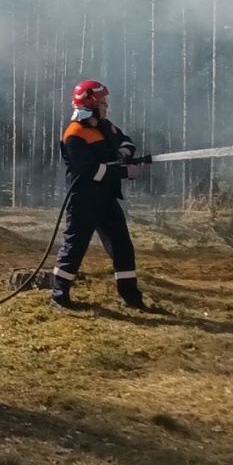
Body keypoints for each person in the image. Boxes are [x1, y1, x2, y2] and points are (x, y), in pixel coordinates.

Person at [52, 80, 146, 311]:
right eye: (102, 102)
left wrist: (125, 150)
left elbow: (125, 139)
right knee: (74, 247)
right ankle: (59, 297)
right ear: (90, 105)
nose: (106, 106)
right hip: (83, 200)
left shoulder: (104, 125)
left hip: (106, 199)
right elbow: (92, 171)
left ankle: (131, 298)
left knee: (122, 247)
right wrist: (126, 172)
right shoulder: (74, 135)